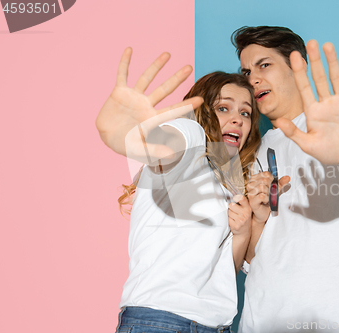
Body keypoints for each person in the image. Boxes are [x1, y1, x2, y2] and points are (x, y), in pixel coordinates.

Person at [233, 26, 339, 332]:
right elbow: (253, 259)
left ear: (298, 65)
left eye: (264, 65)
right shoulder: (256, 148)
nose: (252, 79)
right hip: (265, 318)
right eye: (245, 71)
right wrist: (257, 219)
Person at [96, 48, 262, 333]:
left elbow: (222, 276)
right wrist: (130, 136)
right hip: (159, 321)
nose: (237, 119)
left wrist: (243, 232)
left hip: (214, 326)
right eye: (224, 108)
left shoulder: (231, 184)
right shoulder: (190, 138)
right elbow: (165, 146)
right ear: (201, 113)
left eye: (245, 112)